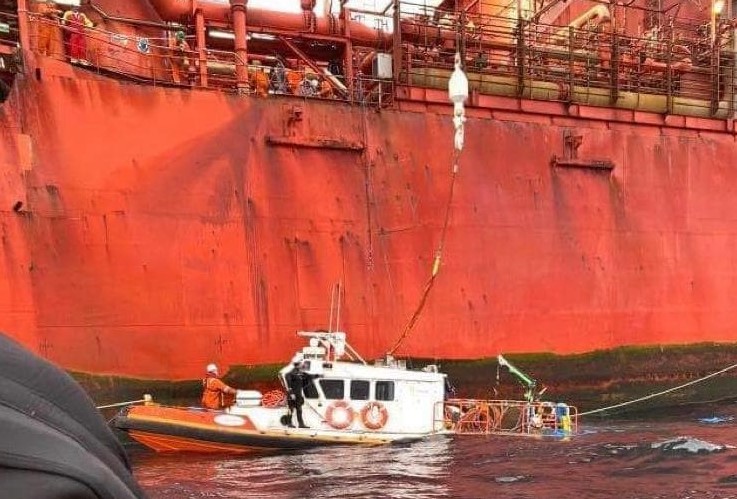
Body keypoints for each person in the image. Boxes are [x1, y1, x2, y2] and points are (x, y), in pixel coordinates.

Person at [284, 357, 309, 428]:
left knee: (299, 409)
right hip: (293, 394)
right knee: (291, 409)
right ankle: (289, 423)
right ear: (297, 364)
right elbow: (288, 385)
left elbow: (306, 378)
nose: (302, 364)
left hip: (298, 394)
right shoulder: (290, 373)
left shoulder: (300, 373)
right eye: (301, 363)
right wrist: (291, 393)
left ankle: (301, 424)